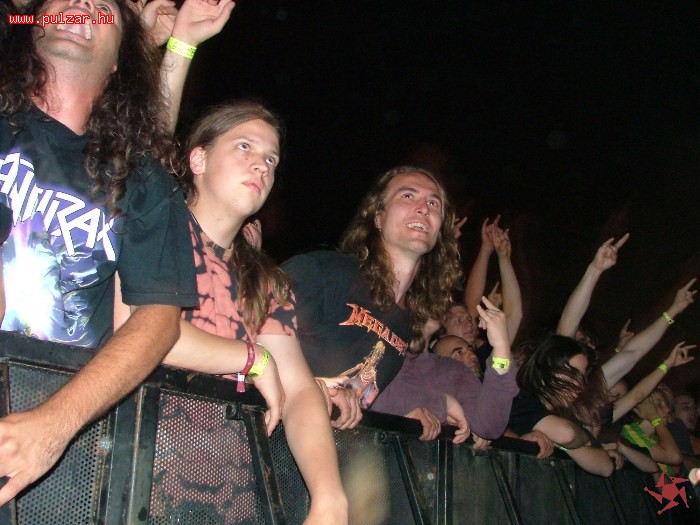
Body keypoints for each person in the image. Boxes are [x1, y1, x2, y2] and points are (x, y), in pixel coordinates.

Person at [0, 0, 198, 506]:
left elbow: (158, 320)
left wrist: (54, 425)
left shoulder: (145, 180)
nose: (83, 4)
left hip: (61, 434)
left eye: (103, 6)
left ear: (118, 63)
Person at [114, 101, 347, 523]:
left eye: (271, 160)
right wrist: (253, 358)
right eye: (244, 147)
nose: (261, 166)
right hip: (131, 477)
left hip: (229, 496)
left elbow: (298, 389)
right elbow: (136, 329)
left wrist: (329, 498)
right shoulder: (152, 226)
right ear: (198, 159)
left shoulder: (267, 282)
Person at [283, 166, 466, 439]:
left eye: (433, 203)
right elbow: (248, 332)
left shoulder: (405, 324)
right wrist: (311, 387)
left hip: (330, 451)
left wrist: (406, 409)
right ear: (378, 217)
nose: (423, 208)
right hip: (267, 441)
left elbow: (367, 391)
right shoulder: (325, 273)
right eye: (407, 196)